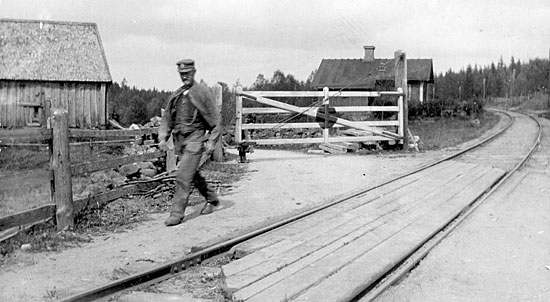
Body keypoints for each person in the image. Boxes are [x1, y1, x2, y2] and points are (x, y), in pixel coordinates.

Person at [158, 59, 222, 226]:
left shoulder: (202, 92)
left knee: (182, 175)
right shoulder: (177, 95)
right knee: (191, 173)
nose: (184, 77)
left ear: (194, 72)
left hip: (195, 138)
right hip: (181, 141)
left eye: (187, 73)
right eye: (182, 74)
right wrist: (163, 137)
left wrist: (211, 142)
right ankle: (211, 198)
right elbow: (167, 118)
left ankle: (176, 213)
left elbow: (215, 120)